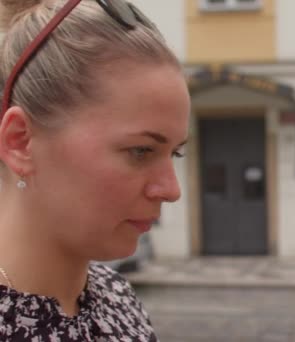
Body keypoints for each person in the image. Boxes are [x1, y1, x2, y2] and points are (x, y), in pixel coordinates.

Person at [0, 0, 190, 340]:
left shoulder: (117, 298)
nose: (172, 190)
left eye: (174, 153)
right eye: (141, 150)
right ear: (21, 142)